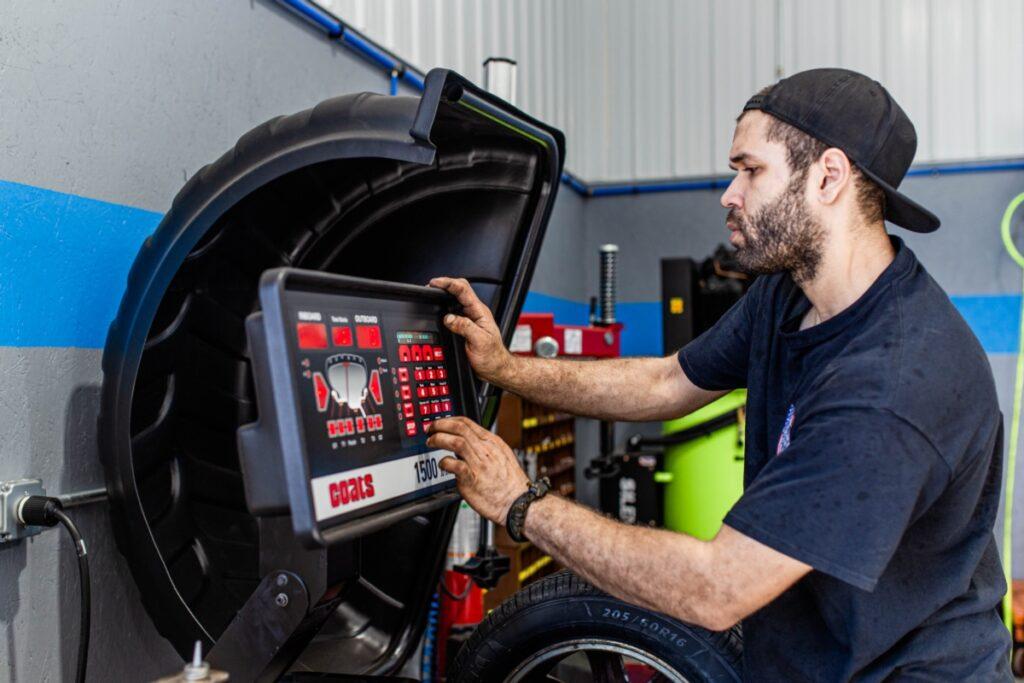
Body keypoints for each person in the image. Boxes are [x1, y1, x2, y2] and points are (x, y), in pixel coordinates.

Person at [427, 68, 1012, 680]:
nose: (730, 194)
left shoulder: (892, 383)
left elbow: (716, 588)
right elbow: (667, 382)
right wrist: (505, 368)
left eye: (750, 169)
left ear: (828, 177)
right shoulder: (787, 295)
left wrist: (520, 502)